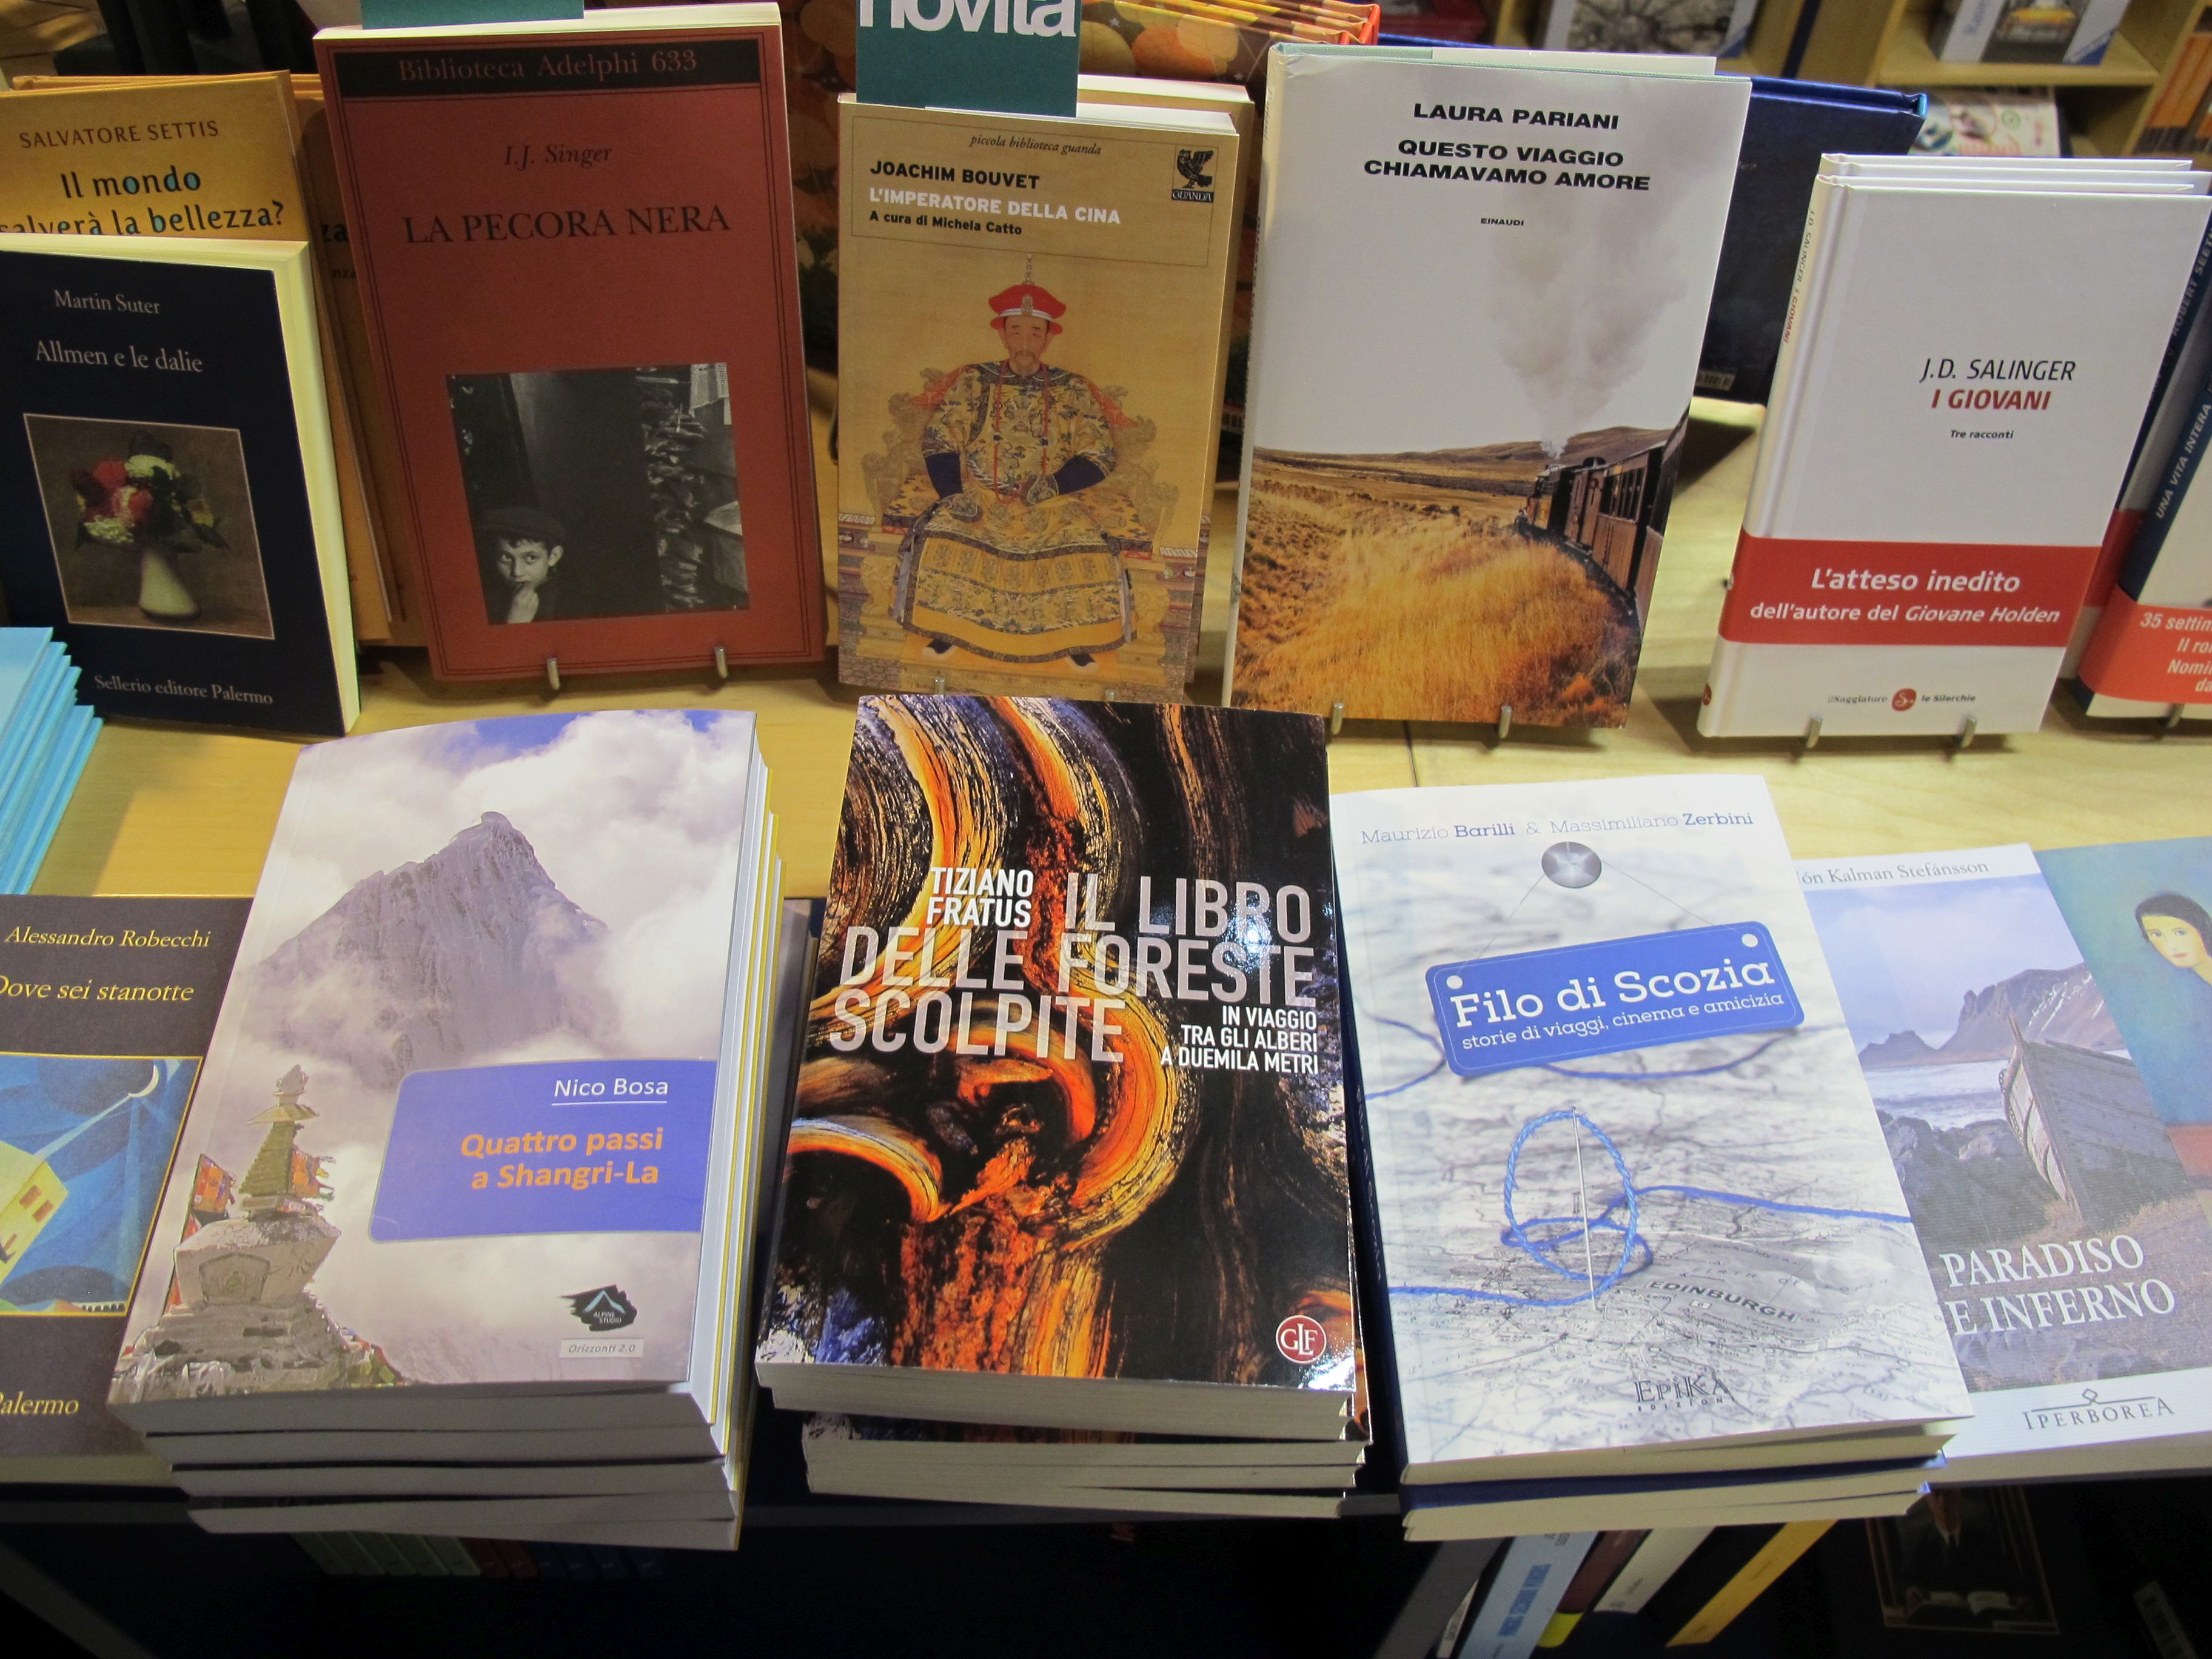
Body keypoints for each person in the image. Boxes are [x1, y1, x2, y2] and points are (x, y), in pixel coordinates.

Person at [891, 263, 1141, 669]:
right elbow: (941, 437)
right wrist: (953, 494)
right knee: (943, 533)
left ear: (1048, 337)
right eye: (1017, 332)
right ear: (1003, 334)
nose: (1025, 342)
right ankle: (947, 629)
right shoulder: (975, 380)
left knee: (1086, 544)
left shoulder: (1072, 388)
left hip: (1049, 502)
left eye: (1035, 333)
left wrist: (1055, 484)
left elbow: (1101, 453)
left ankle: (1074, 639)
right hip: (981, 496)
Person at [477, 506, 574, 625]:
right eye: (506, 558)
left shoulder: (573, 604)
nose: (517, 572)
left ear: (553, 557)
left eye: (531, 558)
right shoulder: (483, 600)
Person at [2136, 893, 2212, 992]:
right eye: (2157, 935)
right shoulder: (2173, 986)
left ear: (2202, 930)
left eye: (2181, 933)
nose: (2171, 946)